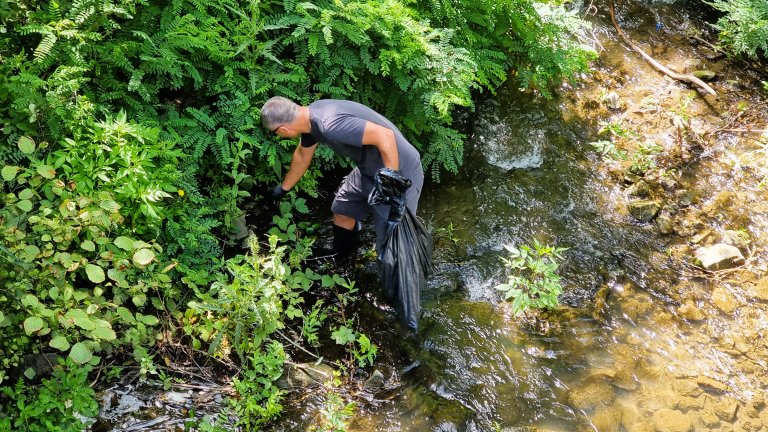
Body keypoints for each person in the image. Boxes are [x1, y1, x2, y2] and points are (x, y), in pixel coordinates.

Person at [260, 97, 424, 261]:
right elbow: (303, 155)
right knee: (343, 209)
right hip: (368, 169)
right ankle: (343, 260)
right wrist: (283, 188)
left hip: (400, 172)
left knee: (392, 242)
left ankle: (398, 279)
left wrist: (390, 181)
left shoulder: (330, 125)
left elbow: (385, 136)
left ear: (282, 129)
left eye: (274, 133)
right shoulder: (310, 121)